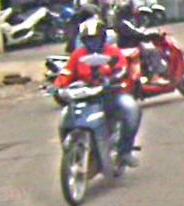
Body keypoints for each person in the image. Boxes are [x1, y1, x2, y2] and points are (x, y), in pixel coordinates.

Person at [55, 18, 142, 167]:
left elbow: (121, 69)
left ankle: (125, 151)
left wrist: (112, 79)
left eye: (95, 38)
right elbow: (66, 73)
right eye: (88, 39)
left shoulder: (113, 52)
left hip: (111, 94)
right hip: (85, 96)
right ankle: (73, 151)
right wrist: (59, 86)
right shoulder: (77, 55)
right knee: (66, 118)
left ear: (103, 38)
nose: (92, 43)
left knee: (132, 109)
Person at [113, 0, 169, 84]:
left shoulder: (123, 23)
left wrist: (151, 35)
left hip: (129, 47)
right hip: (129, 48)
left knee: (146, 50)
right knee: (154, 52)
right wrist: (154, 35)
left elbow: (137, 33)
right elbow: (137, 34)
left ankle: (147, 73)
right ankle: (155, 77)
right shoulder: (124, 24)